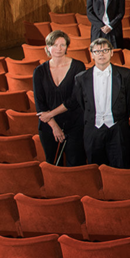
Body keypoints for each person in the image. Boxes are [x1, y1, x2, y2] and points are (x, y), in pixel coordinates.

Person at [72, 37, 130, 168]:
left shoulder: (125, 75)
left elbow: (129, 100)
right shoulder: (81, 78)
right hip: (93, 130)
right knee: (96, 169)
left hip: (118, 129)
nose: (101, 54)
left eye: (105, 50)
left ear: (111, 52)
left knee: (120, 168)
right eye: (97, 51)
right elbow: (82, 104)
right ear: (92, 55)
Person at [32, 31, 88, 166]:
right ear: (48, 47)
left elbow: (75, 99)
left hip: (74, 123)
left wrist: (50, 114)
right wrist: (54, 125)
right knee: (53, 164)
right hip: (49, 125)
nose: (59, 48)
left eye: (62, 45)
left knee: (75, 163)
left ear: (67, 47)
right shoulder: (39, 71)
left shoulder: (78, 66)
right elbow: (39, 103)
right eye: (55, 45)